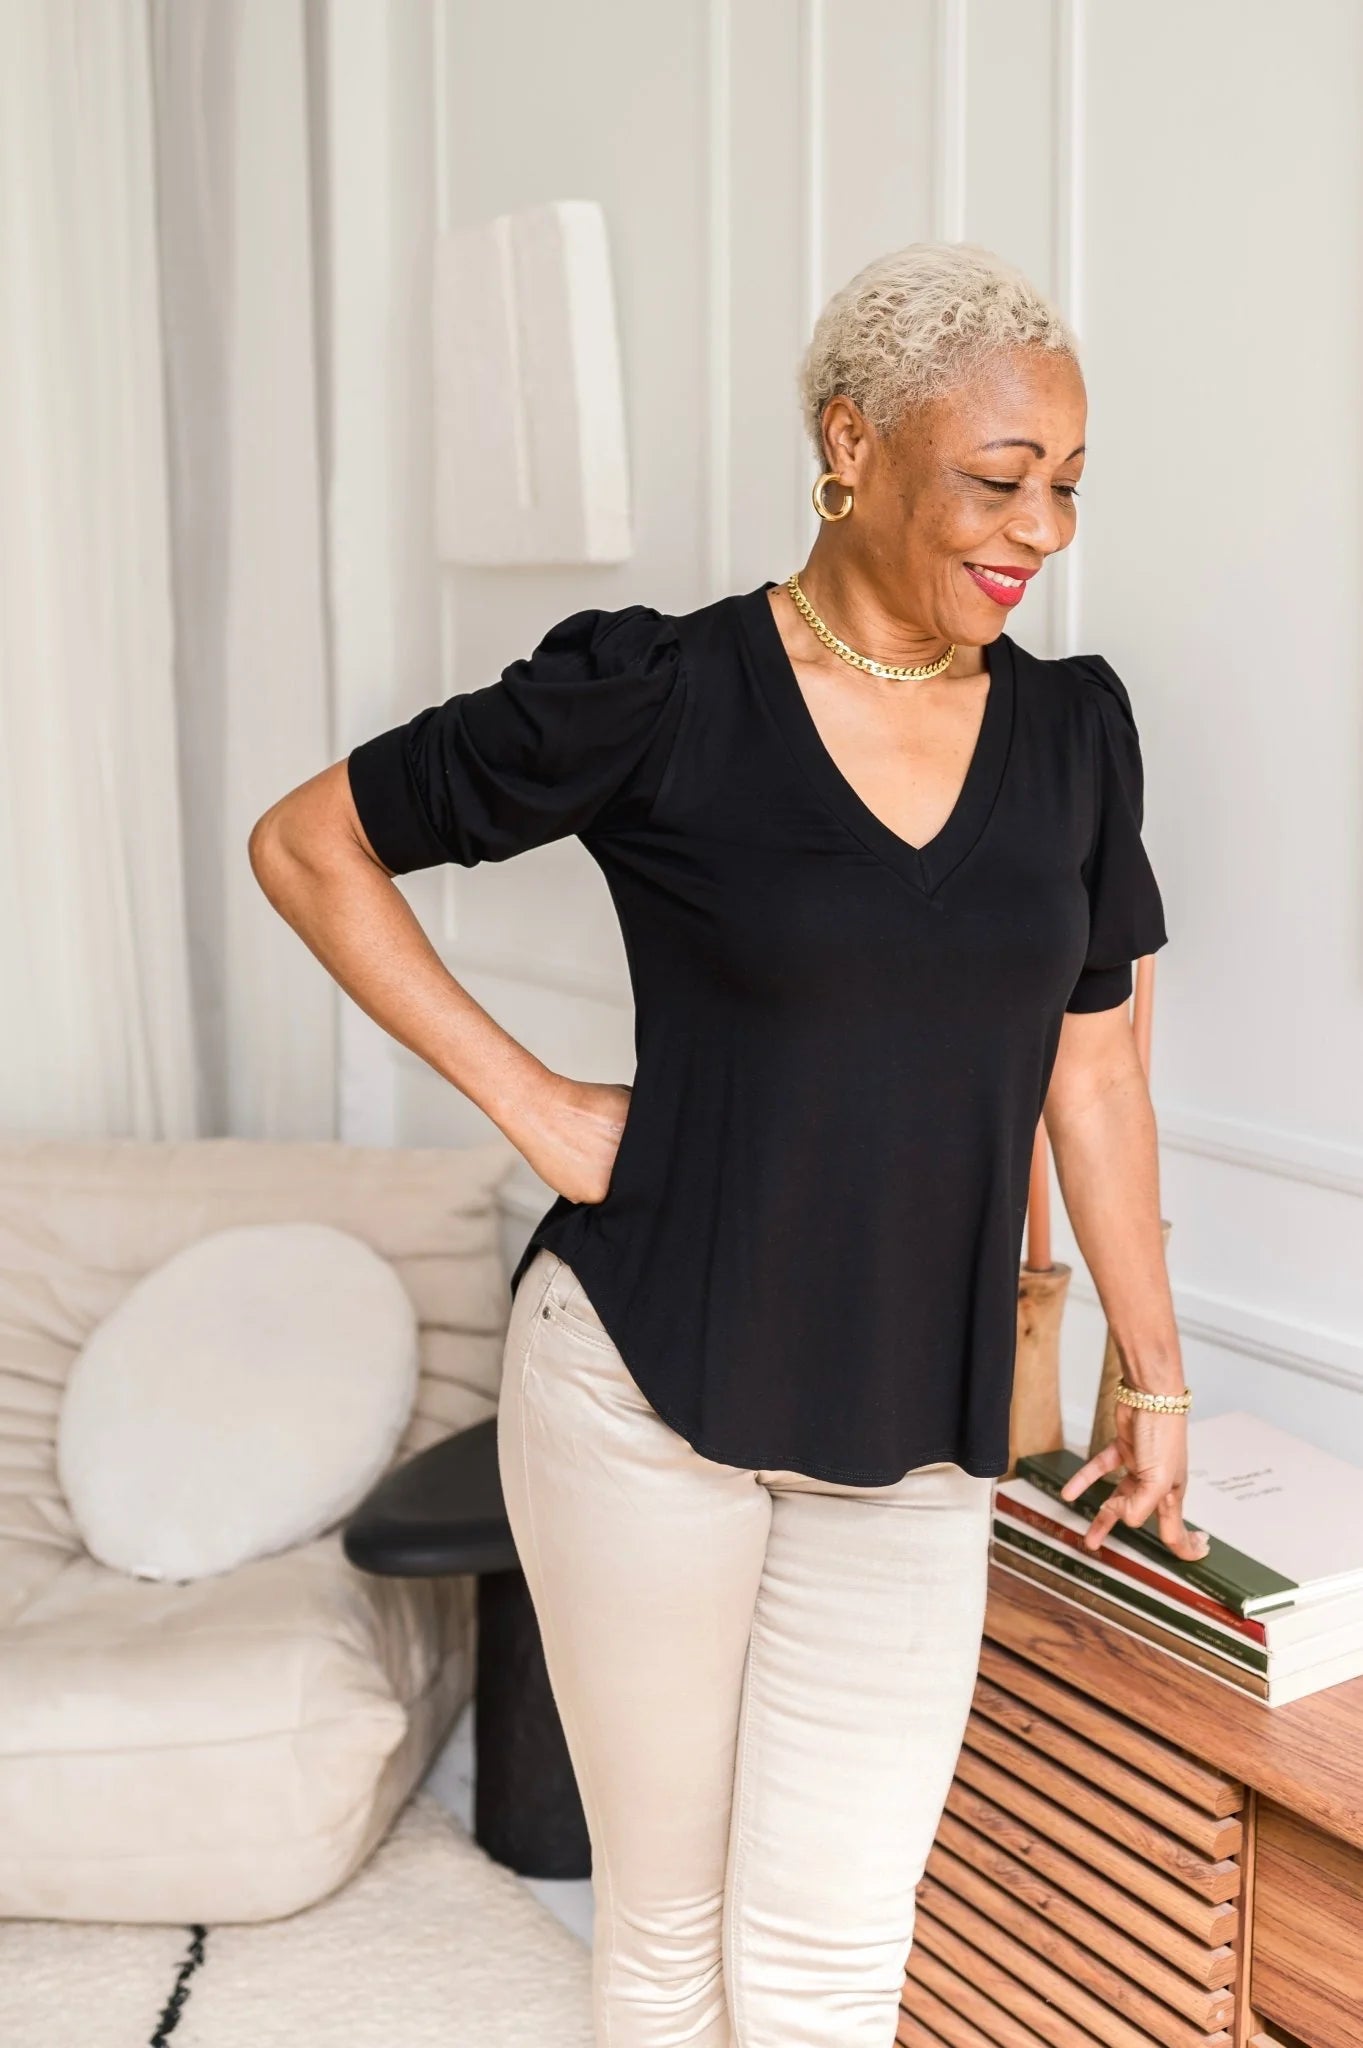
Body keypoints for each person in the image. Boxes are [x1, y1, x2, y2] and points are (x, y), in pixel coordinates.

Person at [250, 239, 1209, 2048]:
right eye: (1000, 480)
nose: (1042, 531)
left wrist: (1155, 1374)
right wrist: (535, 1100)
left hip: (916, 1421)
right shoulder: (664, 691)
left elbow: (1096, 1077)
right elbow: (310, 844)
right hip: (642, 1386)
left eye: (1070, 487)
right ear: (852, 443)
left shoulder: (1076, 733)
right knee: (670, 1939)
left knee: (832, 1966)